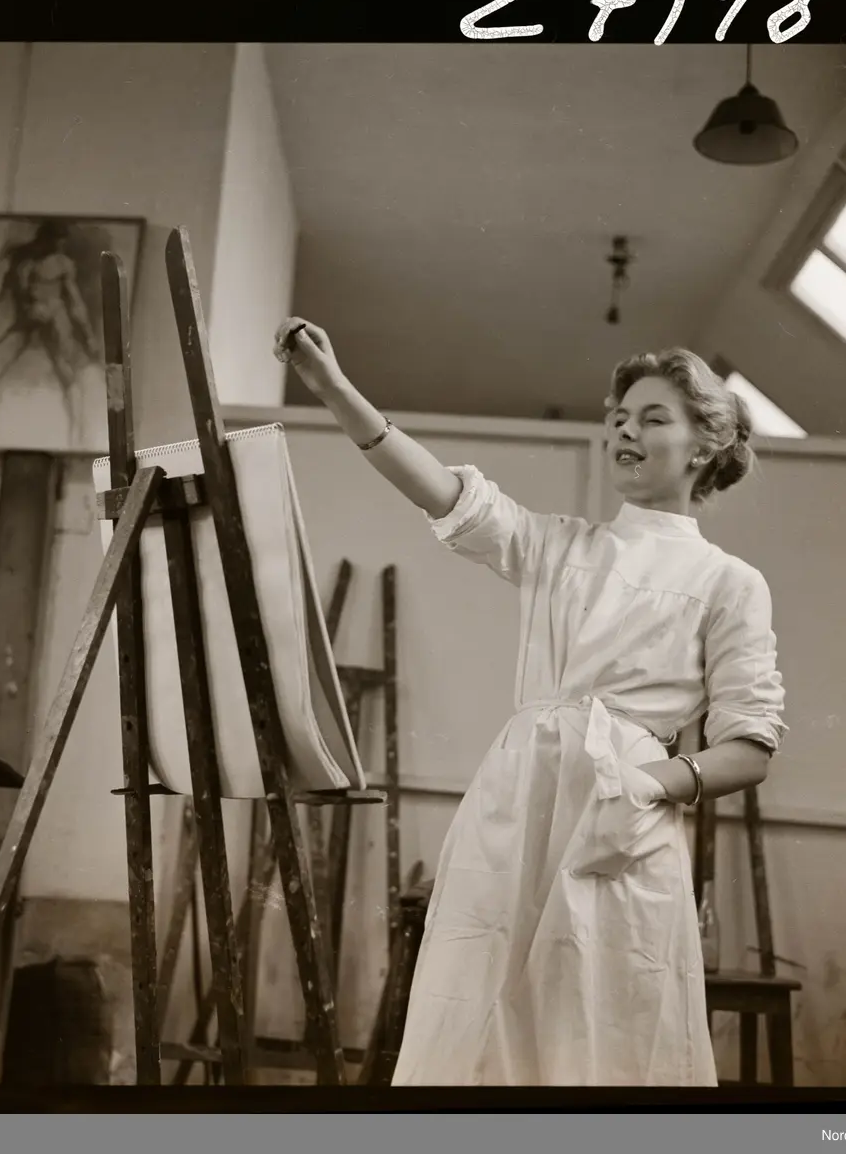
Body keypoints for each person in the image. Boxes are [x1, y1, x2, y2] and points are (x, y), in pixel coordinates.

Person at [273, 317, 787, 1087]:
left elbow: (750, 746)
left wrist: (645, 784)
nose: (626, 430)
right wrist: (333, 387)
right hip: (514, 807)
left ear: (704, 446)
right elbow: (439, 490)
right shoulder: (558, 547)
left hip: (621, 818)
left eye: (653, 418)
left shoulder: (729, 583)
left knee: (604, 1027)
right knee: (477, 1017)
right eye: (620, 417)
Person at [0, 220, 99, 446]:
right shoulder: (17, 259)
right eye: (55, 242)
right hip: (26, 321)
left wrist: (89, 335)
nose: (58, 247)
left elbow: (75, 303)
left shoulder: (62, 263)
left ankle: (78, 437)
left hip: (55, 320)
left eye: (61, 243)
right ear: (44, 239)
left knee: (67, 373)